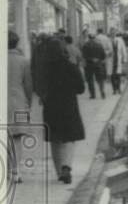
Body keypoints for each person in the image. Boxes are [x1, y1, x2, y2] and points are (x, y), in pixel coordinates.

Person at [41, 37, 86, 184]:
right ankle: (66, 166)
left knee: (54, 139)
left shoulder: (44, 69)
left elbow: (39, 87)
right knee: (70, 137)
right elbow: (81, 88)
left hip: (51, 107)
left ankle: (59, 171)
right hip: (69, 106)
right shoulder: (71, 66)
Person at [7, 30, 33, 183]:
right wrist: (28, 103)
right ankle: (16, 171)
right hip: (19, 103)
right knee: (17, 137)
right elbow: (29, 86)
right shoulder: (24, 61)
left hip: (0, 104)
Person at [81, 33, 107, 99]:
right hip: (98, 64)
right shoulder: (99, 45)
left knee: (90, 80)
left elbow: (84, 56)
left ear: (89, 38)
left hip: (89, 65)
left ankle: (93, 95)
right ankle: (102, 91)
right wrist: (98, 59)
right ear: (94, 38)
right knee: (100, 79)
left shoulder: (85, 45)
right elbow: (103, 56)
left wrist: (91, 59)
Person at [110, 29, 127, 94]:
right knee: (112, 76)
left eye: (114, 33)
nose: (113, 34)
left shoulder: (120, 40)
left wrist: (124, 59)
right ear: (110, 34)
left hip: (118, 60)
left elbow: (123, 50)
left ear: (115, 34)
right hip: (111, 61)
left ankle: (119, 89)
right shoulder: (108, 40)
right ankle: (114, 89)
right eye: (111, 33)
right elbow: (104, 49)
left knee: (118, 75)